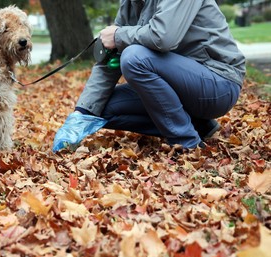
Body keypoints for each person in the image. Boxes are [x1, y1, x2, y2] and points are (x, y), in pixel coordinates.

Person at [52, 0, 246, 152]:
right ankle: (198, 125)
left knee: (134, 57)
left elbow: (163, 37)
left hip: (218, 83)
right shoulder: (130, 2)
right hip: (181, 85)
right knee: (100, 109)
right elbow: (111, 56)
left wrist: (119, 35)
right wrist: (83, 112)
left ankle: (187, 143)